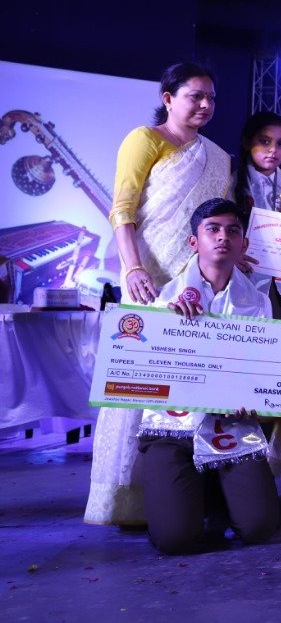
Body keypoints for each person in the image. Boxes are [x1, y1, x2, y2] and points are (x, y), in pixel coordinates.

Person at [88, 61, 232, 527]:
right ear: (168, 98)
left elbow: (215, 220)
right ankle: (127, 501)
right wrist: (132, 268)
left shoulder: (218, 156)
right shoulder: (145, 140)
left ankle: (185, 495)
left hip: (195, 286)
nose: (205, 105)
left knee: (189, 384)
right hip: (148, 282)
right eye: (195, 96)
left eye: (211, 97)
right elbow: (122, 210)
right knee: (140, 387)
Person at [139, 199, 279, 554]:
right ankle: (190, 494)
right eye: (212, 229)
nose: (223, 237)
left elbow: (262, 371)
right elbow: (148, 372)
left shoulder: (258, 303)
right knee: (174, 538)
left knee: (259, 527)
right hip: (173, 428)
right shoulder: (163, 300)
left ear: (244, 244)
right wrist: (167, 329)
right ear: (194, 241)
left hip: (232, 425)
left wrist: (255, 402)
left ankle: (218, 494)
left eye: (233, 230)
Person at [231, 111, 281, 316]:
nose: (273, 150)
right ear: (247, 142)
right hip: (238, 274)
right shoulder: (231, 183)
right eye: (265, 141)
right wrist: (230, 255)